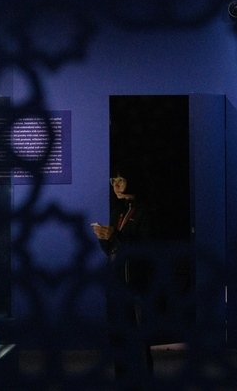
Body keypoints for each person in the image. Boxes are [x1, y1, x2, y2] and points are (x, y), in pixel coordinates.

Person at [92, 162, 154, 385]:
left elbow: (145, 250)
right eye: (113, 181)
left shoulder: (145, 212)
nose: (116, 185)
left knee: (137, 338)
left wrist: (114, 236)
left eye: (121, 180)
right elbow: (113, 250)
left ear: (132, 181)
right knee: (117, 338)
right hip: (115, 284)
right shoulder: (117, 212)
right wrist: (104, 238)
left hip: (136, 286)